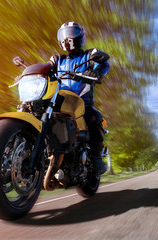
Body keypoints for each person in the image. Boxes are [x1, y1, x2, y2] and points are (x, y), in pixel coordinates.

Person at [48, 21, 110, 175]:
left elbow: (104, 63)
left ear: (79, 36)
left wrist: (97, 72)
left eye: (71, 33)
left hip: (82, 103)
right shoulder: (57, 59)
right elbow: (45, 68)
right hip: (60, 102)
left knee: (94, 117)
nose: (67, 38)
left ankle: (96, 157)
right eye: (64, 35)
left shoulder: (89, 55)